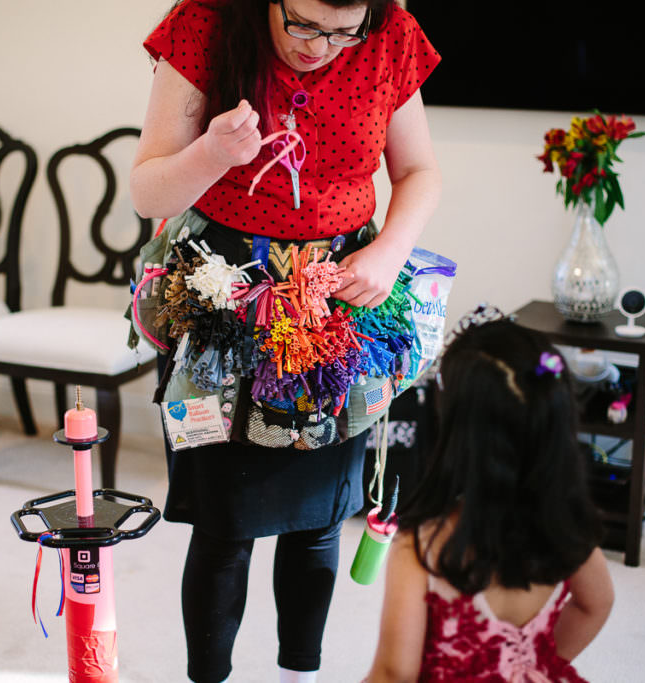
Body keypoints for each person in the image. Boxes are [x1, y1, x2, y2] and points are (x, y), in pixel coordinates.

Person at [131, 1, 442, 681]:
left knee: (320, 522)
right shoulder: (206, 23)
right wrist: (212, 152)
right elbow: (146, 188)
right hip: (223, 301)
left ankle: (299, 671)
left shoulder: (388, 35)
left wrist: (389, 251)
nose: (319, 46)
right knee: (225, 525)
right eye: (301, 22)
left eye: (341, 30)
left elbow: (420, 171)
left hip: (338, 312)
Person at [364, 311, 615, 682]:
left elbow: (393, 672)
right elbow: (596, 604)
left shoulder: (421, 545)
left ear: (457, 430)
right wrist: (532, 664)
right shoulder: (565, 527)